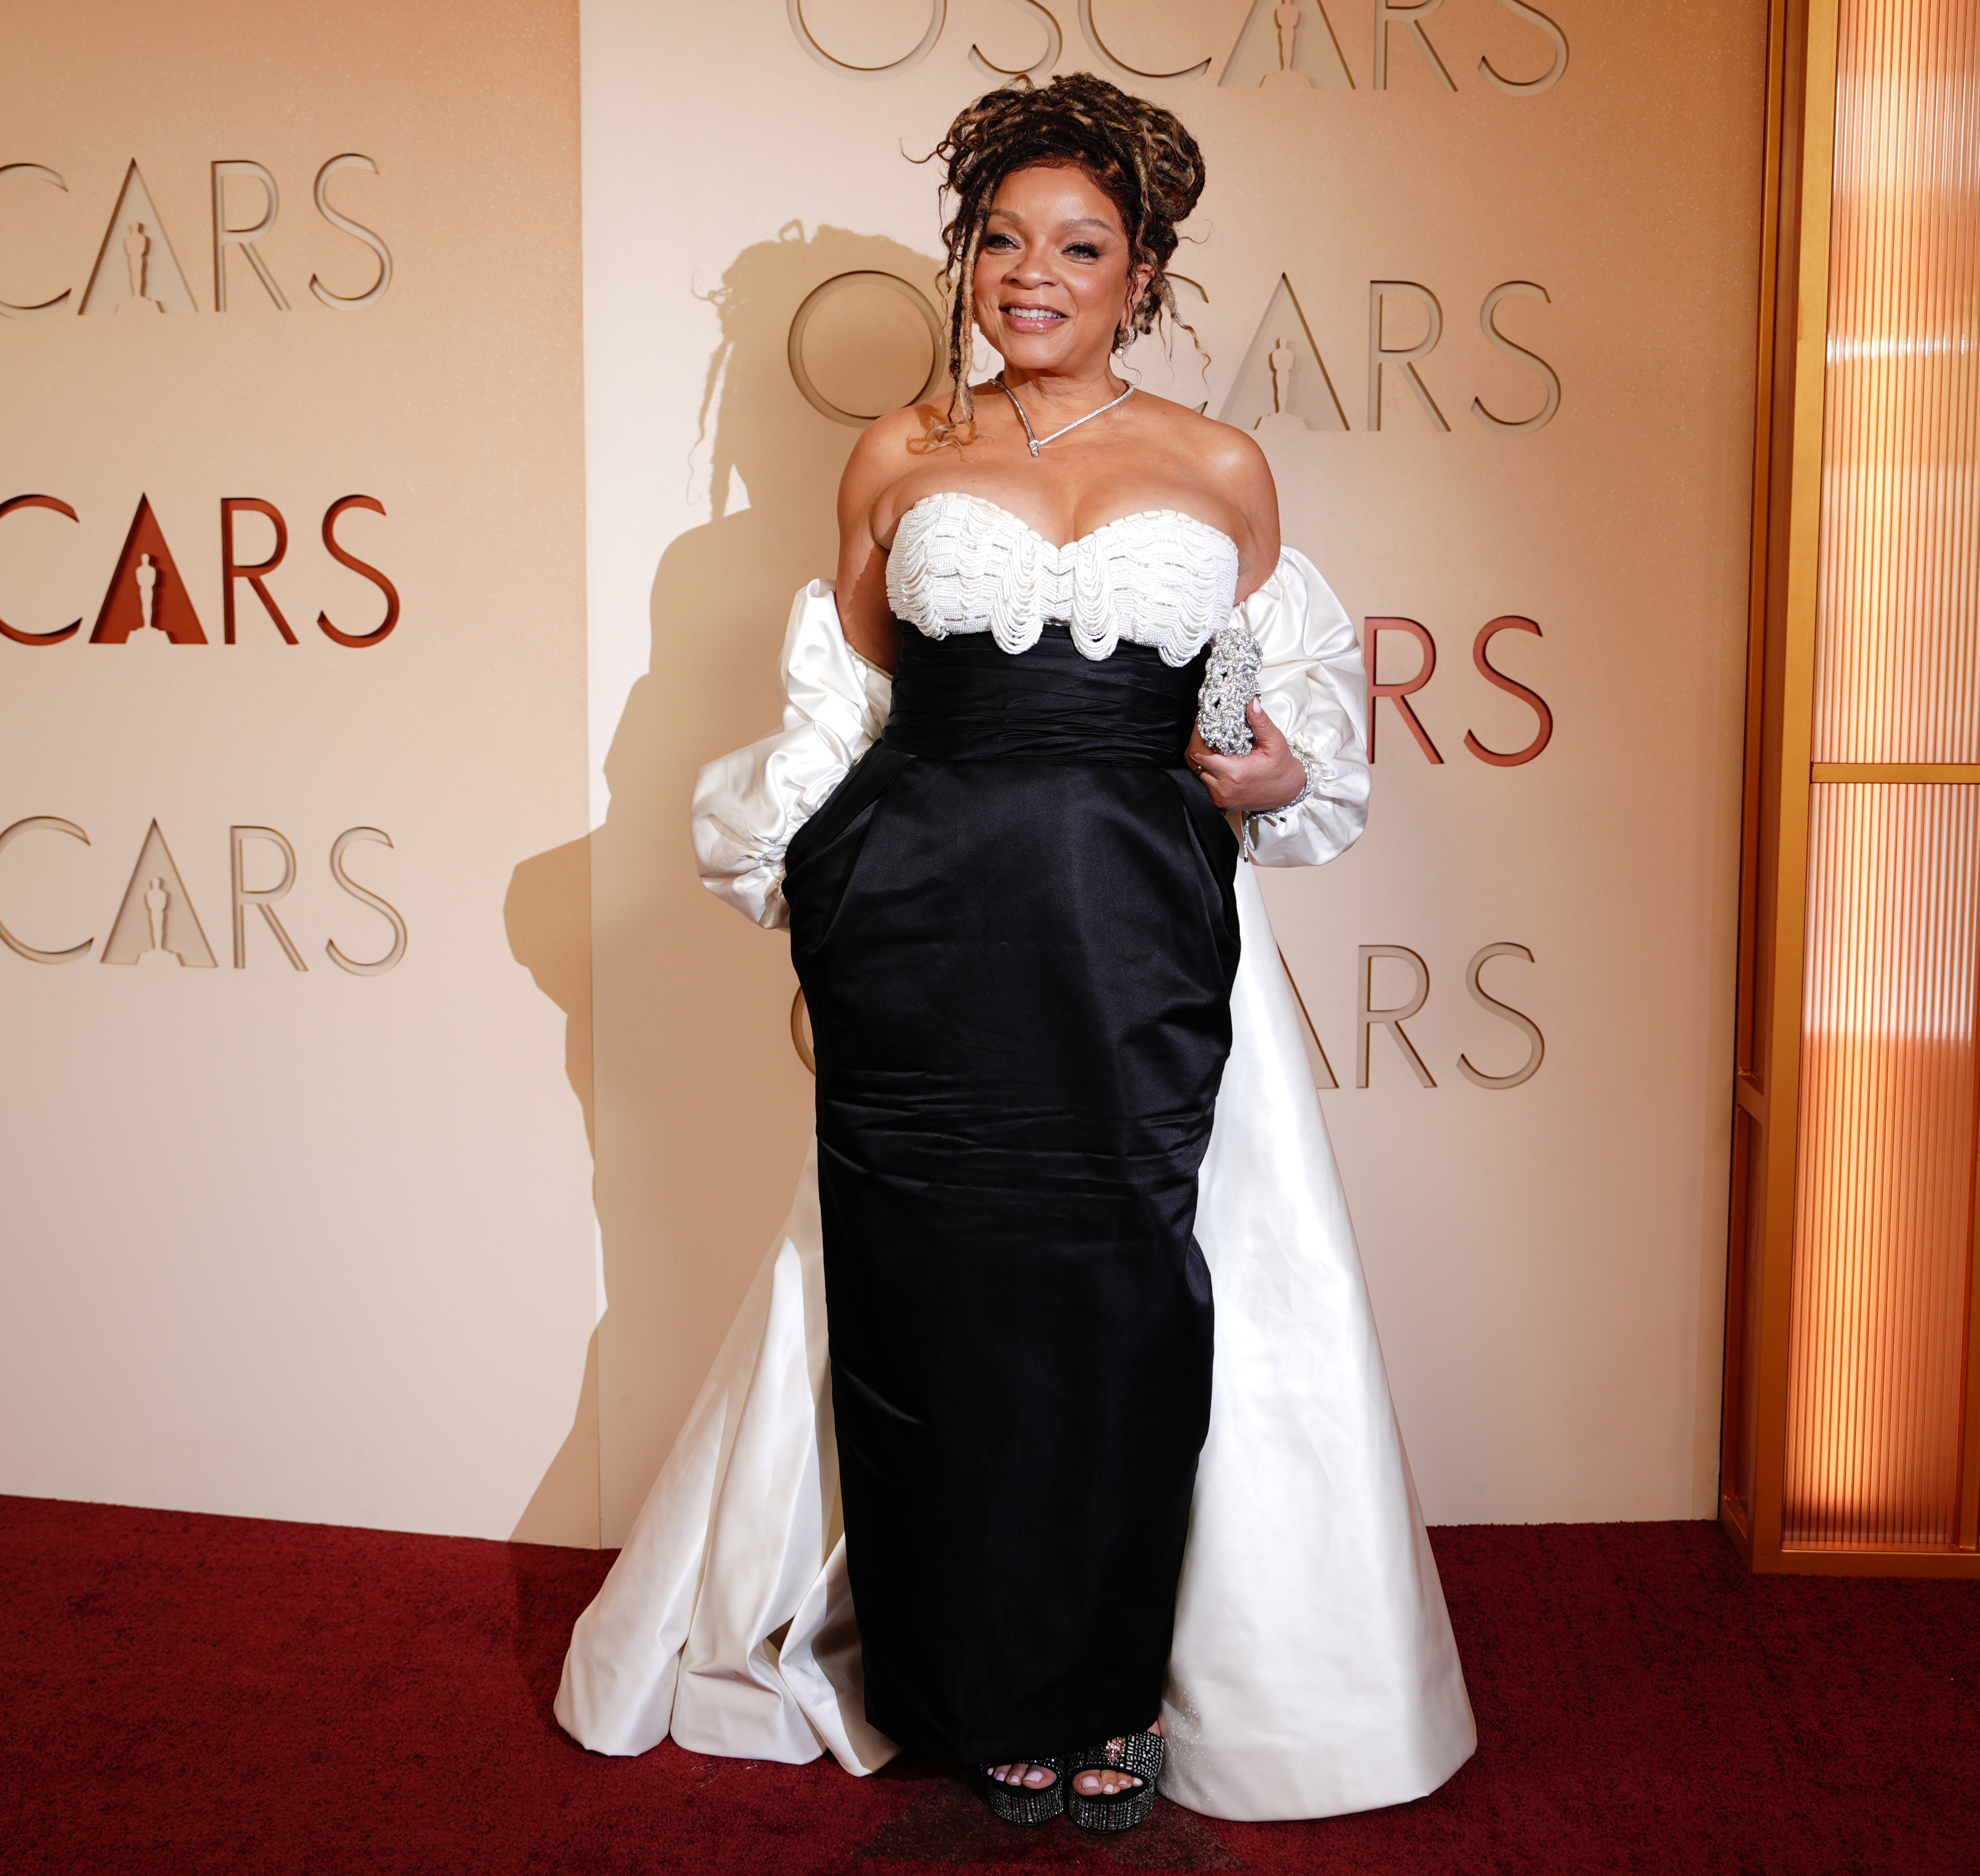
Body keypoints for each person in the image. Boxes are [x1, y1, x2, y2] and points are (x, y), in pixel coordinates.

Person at [555, 73, 1473, 1830]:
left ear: (1145, 274)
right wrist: (814, 876)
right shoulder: (901, 453)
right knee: (927, 1304)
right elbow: (843, 702)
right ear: (965, 256)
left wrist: (1272, 774)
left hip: (1131, 931)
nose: (1029, 274)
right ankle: (960, 1682)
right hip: (922, 929)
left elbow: (1289, 744)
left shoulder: (1219, 467)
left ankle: (1100, 1681)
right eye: (1000, 239)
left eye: (1079, 245)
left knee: (1120, 1300)